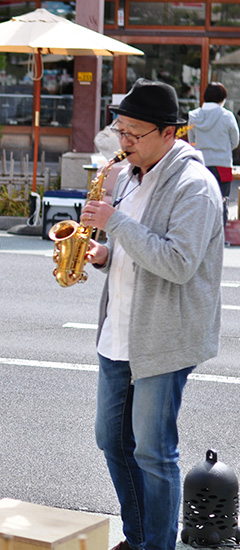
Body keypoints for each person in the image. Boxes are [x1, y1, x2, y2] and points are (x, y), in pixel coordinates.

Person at [81, 79, 223, 550]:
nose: (123, 144)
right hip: (117, 333)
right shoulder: (127, 177)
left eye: (133, 134)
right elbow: (133, 250)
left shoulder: (195, 187)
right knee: (110, 440)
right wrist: (103, 253)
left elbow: (178, 263)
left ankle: (158, 546)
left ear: (169, 133)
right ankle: (139, 536)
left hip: (163, 337)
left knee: (153, 451)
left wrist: (115, 222)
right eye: (119, 131)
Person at [188, 82, 240, 230]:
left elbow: (192, 141)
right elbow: (235, 141)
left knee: (200, 203)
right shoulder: (227, 116)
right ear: (222, 98)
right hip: (222, 164)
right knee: (222, 203)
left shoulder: (194, 116)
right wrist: (223, 148)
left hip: (200, 165)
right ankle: (218, 240)